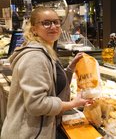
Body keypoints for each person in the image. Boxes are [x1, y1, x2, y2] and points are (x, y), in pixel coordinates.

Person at [1, 7, 91, 139]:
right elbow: (37, 104)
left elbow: (52, 84)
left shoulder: (46, 51)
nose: (53, 26)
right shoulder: (35, 57)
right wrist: (73, 104)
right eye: (46, 23)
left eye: (56, 22)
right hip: (28, 134)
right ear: (33, 29)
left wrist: (70, 69)